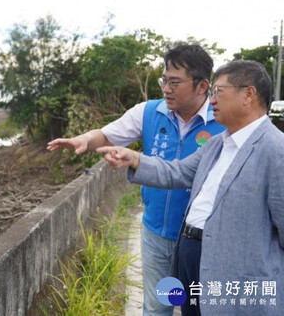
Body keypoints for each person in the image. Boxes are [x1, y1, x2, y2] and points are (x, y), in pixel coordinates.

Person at [47, 43, 225, 315]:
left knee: (203, 306)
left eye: (175, 82)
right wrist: (83, 139)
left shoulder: (223, 121)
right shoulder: (149, 112)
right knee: (157, 306)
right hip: (156, 232)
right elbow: (107, 135)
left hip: (205, 238)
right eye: (164, 80)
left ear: (202, 86)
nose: (166, 89)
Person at [97, 60, 284, 315]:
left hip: (234, 274)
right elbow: (179, 171)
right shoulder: (218, 143)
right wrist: (135, 159)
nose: (212, 99)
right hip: (191, 258)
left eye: (218, 91)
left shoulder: (276, 150)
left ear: (248, 94)